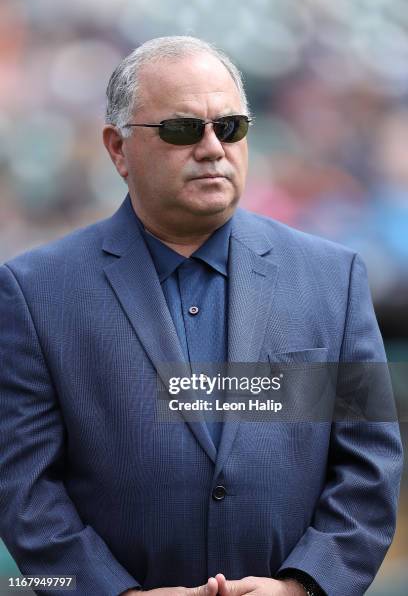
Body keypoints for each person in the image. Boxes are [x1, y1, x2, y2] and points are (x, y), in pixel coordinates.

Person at [0, 36, 403, 596]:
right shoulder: (33, 292)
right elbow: (24, 491)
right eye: (183, 129)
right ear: (118, 149)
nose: (213, 148)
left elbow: (369, 464)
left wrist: (305, 587)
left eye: (230, 127)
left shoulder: (332, 280)